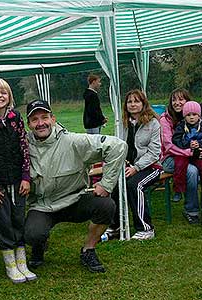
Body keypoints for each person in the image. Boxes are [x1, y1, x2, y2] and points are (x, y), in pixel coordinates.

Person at [24, 99, 127, 273]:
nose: (40, 123)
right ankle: (39, 245)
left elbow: (118, 146)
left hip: (74, 199)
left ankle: (88, 250)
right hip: (42, 205)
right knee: (32, 234)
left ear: (53, 119)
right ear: (29, 124)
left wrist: (106, 184)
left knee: (106, 206)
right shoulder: (24, 146)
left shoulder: (73, 141)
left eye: (44, 117)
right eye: (34, 120)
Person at [0, 78, 36, 283]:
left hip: (18, 180)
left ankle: (22, 261)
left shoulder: (16, 117)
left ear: (9, 96)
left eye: (3, 92)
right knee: (3, 221)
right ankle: (10, 264)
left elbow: (24, 147)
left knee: (18, 218)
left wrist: (26, 177)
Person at [104, 90, 162, 241]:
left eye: (136, 101)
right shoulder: (122, 123)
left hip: (151, 166)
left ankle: (146, 228)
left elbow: (154, 153)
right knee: (115, 185)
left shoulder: (153, 123)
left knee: (134, 185)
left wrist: (136, 167)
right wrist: (120, 162)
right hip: (127, 166)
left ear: (143, 104)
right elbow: (116, 146)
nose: (133, 104)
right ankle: (115, 226)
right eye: (129, 101)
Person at [160, 89, 202, 224]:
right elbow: (169, 146)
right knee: (192, 171)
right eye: (174, 100)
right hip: (169, 158)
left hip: (191, 156)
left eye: (181, 99)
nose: (177, 103)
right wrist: (191, 153)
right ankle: (191, 210)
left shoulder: (195, 119)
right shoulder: (165, 120)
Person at [172, 101, 202, 201]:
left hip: (199, 153)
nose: (191, 117)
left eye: (194, 115)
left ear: (199, 115)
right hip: (184, 153)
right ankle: (178, 189)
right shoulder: (181, 125)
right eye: (188, 115)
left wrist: (200, 144)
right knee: (179, 165)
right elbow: (175, 139)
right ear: (184, 116)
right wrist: (187, 144)